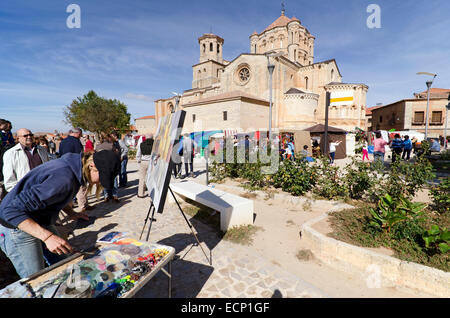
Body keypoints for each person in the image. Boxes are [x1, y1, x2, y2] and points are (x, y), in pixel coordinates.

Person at [0, 152, 105, 278]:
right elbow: (10, 210)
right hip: (17, 225)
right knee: (37, 278)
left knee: (64, 264)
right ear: (92, 166)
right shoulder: (64, 177)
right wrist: (48, 237)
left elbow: (53, 195)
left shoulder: (74, 169)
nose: (100, 183)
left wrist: (71, 213)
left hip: (39, 220)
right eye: (103, 177)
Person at [58, 128, 95, 212]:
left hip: (64, 166)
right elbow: (79, 155)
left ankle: (70, 207)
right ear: (77, 133)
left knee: (69, 188)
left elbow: (60, 154)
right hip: (76, 166)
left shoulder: (63, 142)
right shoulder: (76, 141)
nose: (81, 136)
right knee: (81, 186)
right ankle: (83, 206)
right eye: (80, 134)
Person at [2, 128, 50, 193]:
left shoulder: (42, 150)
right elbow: (9, 179)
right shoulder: (11, 153)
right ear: (18, 138)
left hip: (43, 190)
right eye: (25, 135)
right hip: (25, 193)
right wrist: (19, 193)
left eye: (31, 135)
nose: (29, 137)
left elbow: (48, 169)